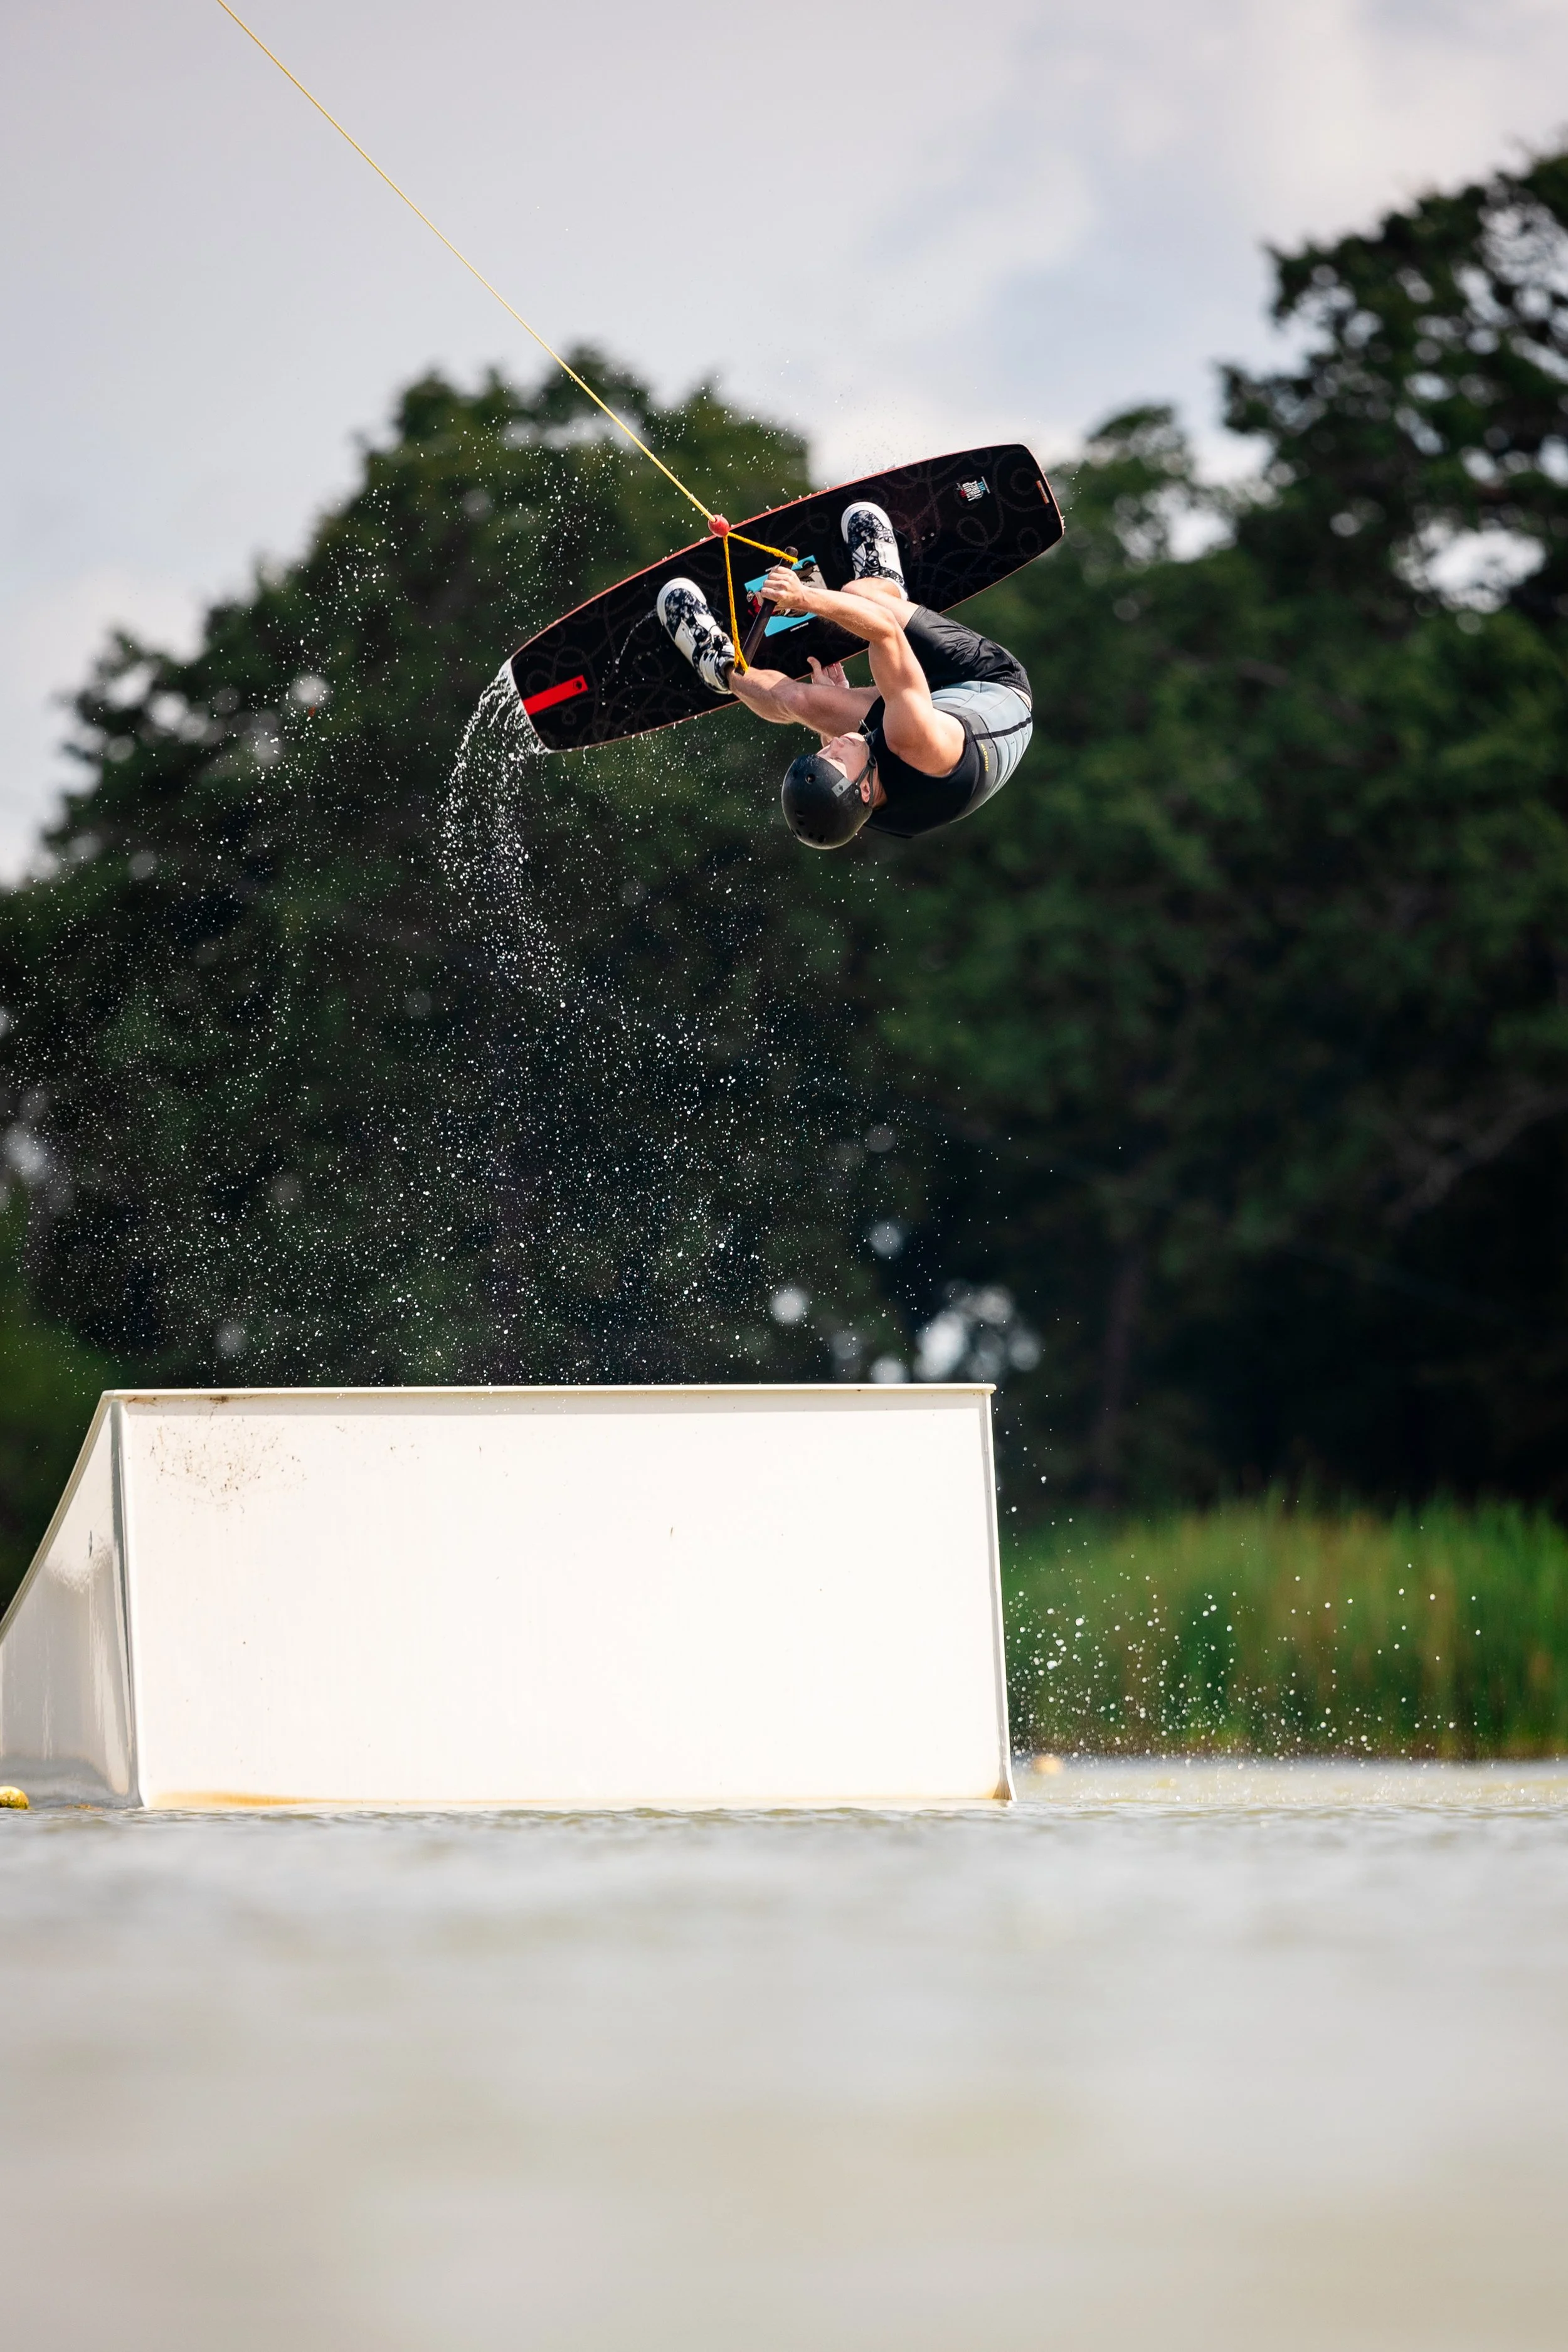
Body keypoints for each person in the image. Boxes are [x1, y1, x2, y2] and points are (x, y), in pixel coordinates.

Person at [654, 501, 1033, 849]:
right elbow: (884, 631)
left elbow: (840, 760)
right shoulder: (914, 741)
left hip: (917, 714)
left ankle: (720, 667)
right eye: (833, 757)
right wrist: (802, 598)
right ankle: (884, 580)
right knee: (864, 598)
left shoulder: (845, 806)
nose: (830, 745)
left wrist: (831, 711)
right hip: (982, 681)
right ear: (864, 792)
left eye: (821, 752)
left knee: (798, 702)